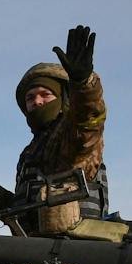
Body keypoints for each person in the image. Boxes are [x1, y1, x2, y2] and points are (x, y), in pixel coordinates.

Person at [14, 25, 109, 236]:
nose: (37, 102)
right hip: (36, 248)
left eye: (45, 94)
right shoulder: (31, 151)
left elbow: (88, 117)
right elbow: (31, 204)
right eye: (30, 98)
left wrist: (83, 83)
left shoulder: (70, 133)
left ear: (64, 98)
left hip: (76, 248)